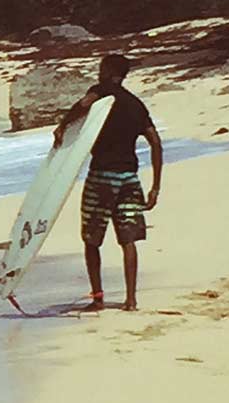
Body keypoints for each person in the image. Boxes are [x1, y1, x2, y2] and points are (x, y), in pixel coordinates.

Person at [53, 53, 162, 311]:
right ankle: (131, 300)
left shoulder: (100, 93)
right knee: (127, 240)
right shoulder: (136, 105)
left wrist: (63, 125)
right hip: (129, 179)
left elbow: (83, 104)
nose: (98, 72)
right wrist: (155, 186)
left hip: (101, 177)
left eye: (101, 68)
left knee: (92, 239)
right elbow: (155, 142)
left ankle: (98, 299)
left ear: (108, 71)